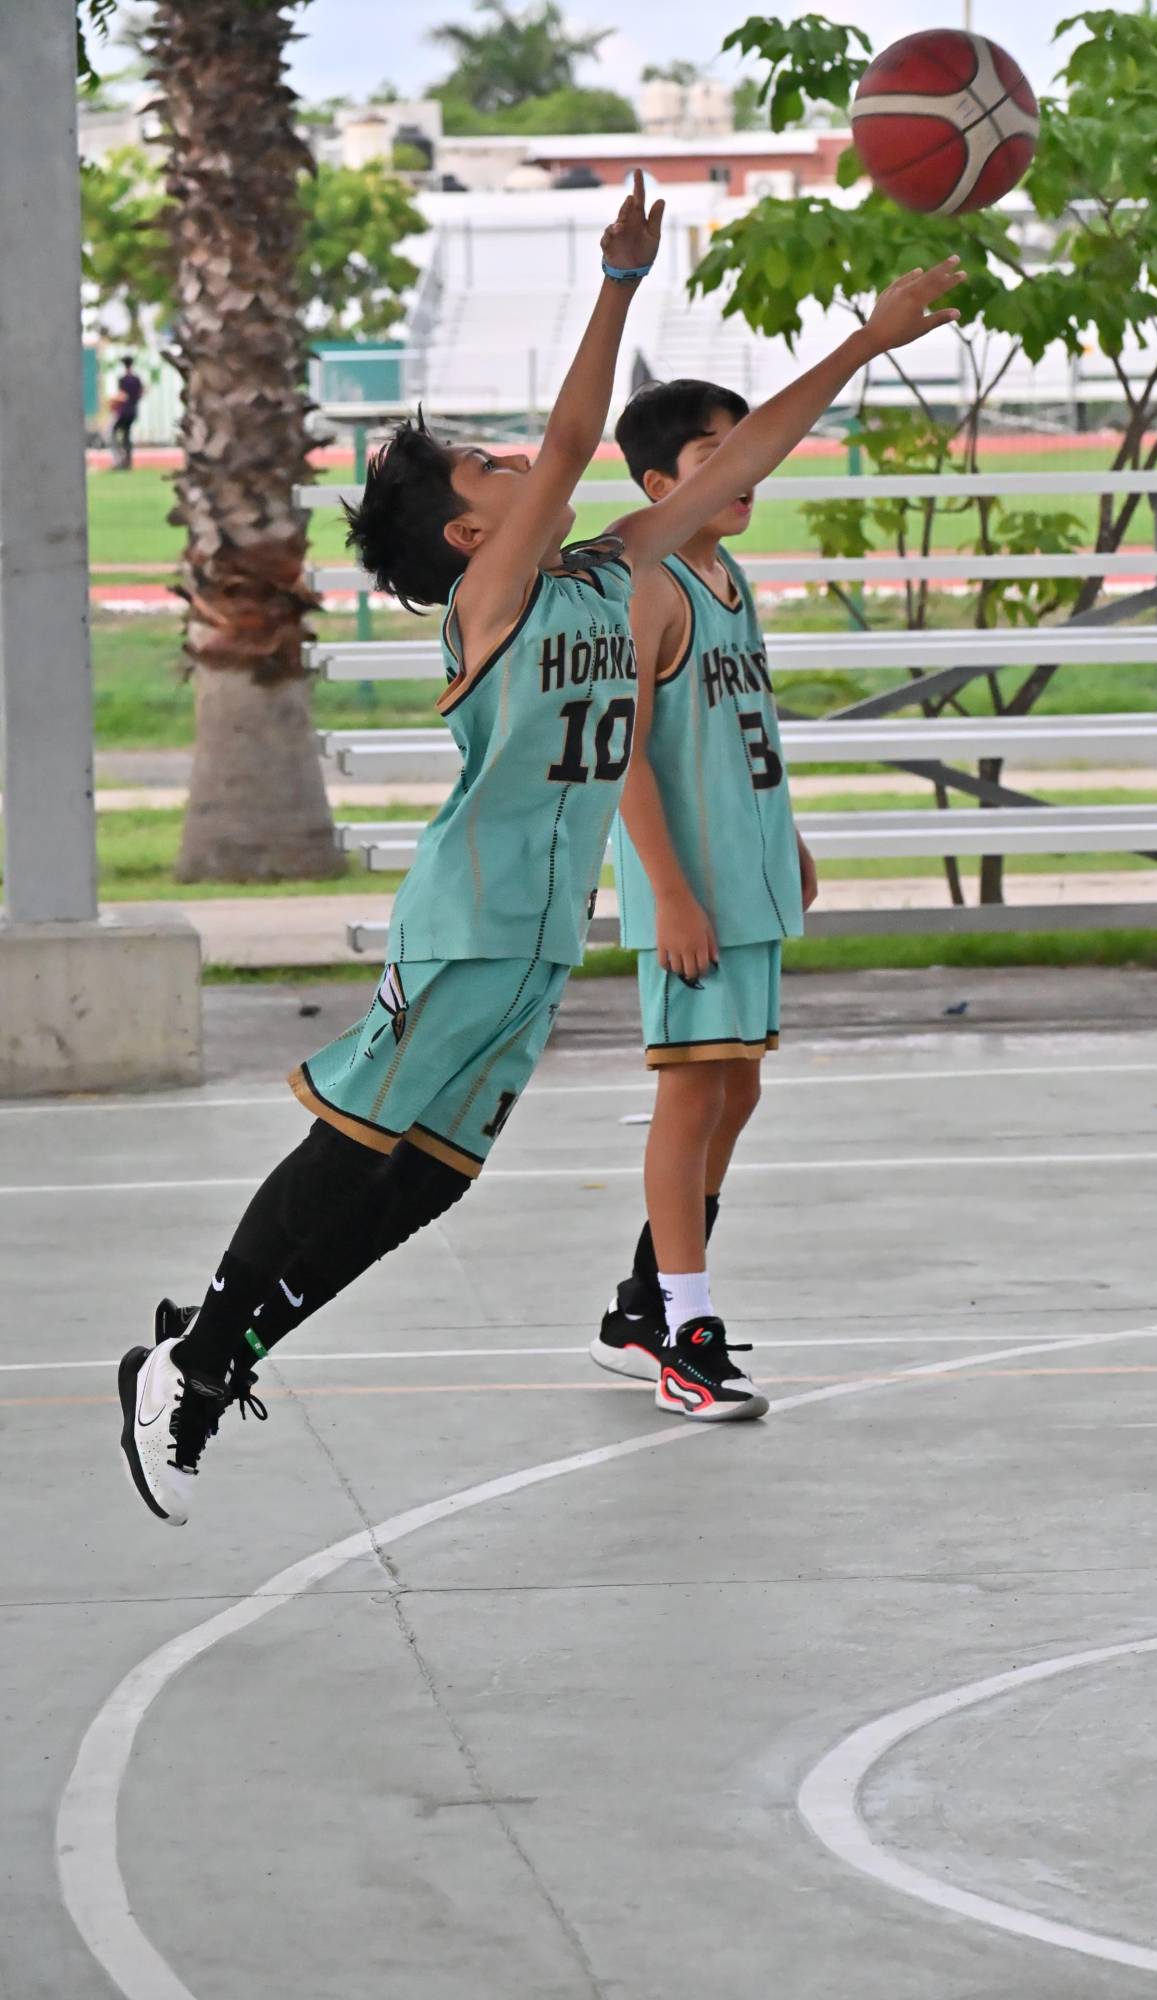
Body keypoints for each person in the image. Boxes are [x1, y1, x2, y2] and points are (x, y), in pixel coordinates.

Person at [117, 191, 966, 1523]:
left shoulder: (611, 574)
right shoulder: (489, 596)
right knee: (355, 1146)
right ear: (466, 535)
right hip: (467, 918)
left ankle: (214, 1344)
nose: (520, 466)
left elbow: (736, 471)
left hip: (537, 942)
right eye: (486, 473)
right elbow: (576, 437)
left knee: (427, 1185)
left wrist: (866, 343)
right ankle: (196, 1361)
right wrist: (619, 282)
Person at [589, 377, 817, 1420]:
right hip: (696, 889)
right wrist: (670, 892)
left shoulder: (732, 579)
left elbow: (741, 727)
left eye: (744, 450)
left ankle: (644, 1300)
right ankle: (685, 1333)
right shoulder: (652, 585)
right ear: (654, 484)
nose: (741, 472)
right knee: (693, 1093)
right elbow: (623, 752)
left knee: (738, 1089)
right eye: (711, 456)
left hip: (748, 872)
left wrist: (790, 835)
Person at [110, 355, 144, 469]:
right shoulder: (137, 379)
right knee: (127, 435)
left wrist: (112, 401)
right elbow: (141, 393)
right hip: (133, 410)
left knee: (113, 433)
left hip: (123, 411)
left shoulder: (122, 379)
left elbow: (122, 396)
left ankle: (118, 460)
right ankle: (128, 462)